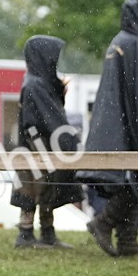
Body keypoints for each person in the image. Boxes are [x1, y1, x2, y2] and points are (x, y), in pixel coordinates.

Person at [80, 0, 138, 257]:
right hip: (132, 123)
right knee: (136, 180)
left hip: (114, 123)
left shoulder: (119, 42)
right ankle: (105, 223)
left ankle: (127, 239)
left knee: (128, 179)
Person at [9, 35, 84, 249]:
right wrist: (69, 140)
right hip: (35, 144)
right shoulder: (34, 85)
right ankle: (25, 234)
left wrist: (60, 91)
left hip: (44, 143)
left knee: (47, 188)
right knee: (32, 187)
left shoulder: (40, 82)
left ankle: (47, 232)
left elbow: (53, 112)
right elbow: (48, 117)